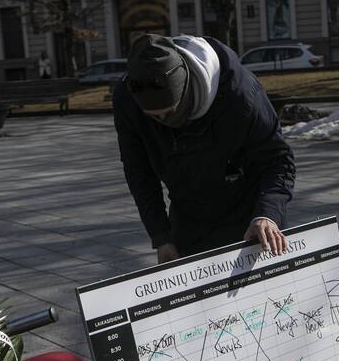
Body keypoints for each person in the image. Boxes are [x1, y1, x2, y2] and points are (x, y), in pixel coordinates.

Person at [113, 34, 295, 262]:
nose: (162, 121)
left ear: (187, 90)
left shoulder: (240, 93)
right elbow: (139, 172)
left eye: (169, 112)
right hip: (189, 220)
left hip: (252, 216)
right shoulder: (127, 100)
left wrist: (267, 214)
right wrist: (161, 236)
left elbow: (277, 160)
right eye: (153, 117)